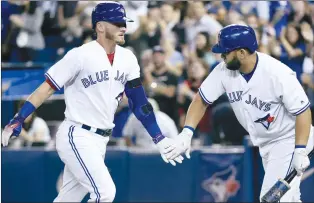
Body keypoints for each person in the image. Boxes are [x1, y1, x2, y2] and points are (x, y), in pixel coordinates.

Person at [1, 2, 184, 202]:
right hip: (77, 134)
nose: (124, 27)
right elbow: (46, 89)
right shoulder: (80, 55)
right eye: (117, 23)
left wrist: (158, 137)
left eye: (124, 22)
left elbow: (139, 103)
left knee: (68, 199)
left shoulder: (128, 58)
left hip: (101, 139)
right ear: (100, 26)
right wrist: (19, 118)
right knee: (105, 193)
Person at [175, 24, 314, 202]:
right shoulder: (223, 71)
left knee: (272, 199)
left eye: (226, 52)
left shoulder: (277, 73)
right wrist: (187, 132)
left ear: (241, 52)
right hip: (266, 144)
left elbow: (302, 111)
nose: (222, 56)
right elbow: (201, 100)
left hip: (290, 139)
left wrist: (300, 150)